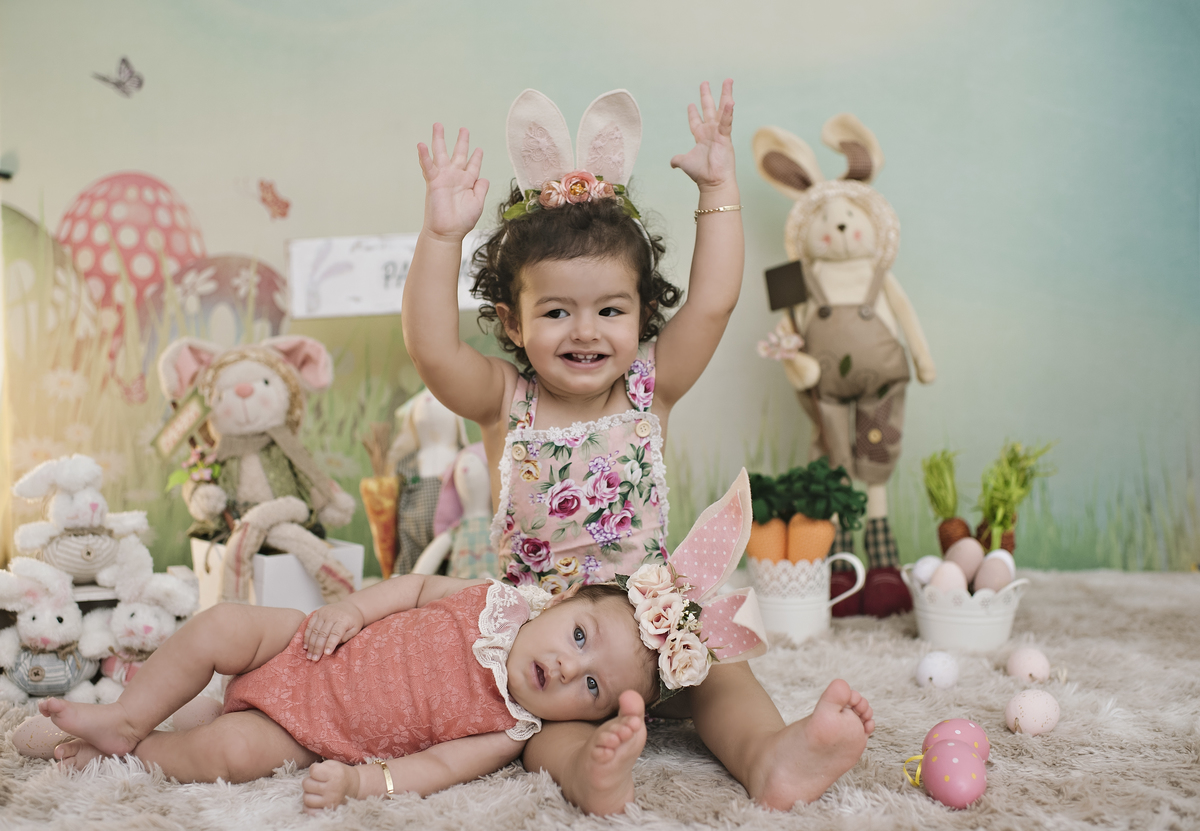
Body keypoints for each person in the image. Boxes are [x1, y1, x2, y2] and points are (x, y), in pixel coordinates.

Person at [401, 78, 876, 816]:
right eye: (556, 311)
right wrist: (439, 238)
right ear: (512, 322)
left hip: (654, 625)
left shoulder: (651, 387)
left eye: (610, 309)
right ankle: (592, 770)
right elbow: (431, 349)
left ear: (645, 313)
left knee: (716, 672)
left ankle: (768, 755)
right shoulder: (505, 399)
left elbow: (714, 300)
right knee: (533, 728)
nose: (585, 330)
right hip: (552, 643)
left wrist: (718, 188)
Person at [38, 574, 660, 812]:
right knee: (225, 621)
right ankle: (127, 715)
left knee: (227, 753)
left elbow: (439, 766)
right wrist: (352, 610)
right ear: (559, 601)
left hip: (308, 734)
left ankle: (132, 754)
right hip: (306, 646)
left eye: (592, 685)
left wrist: (363, 784)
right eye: (579, 635)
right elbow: (415, 589)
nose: (567, 664)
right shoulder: (494, 598)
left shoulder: (510, 728)